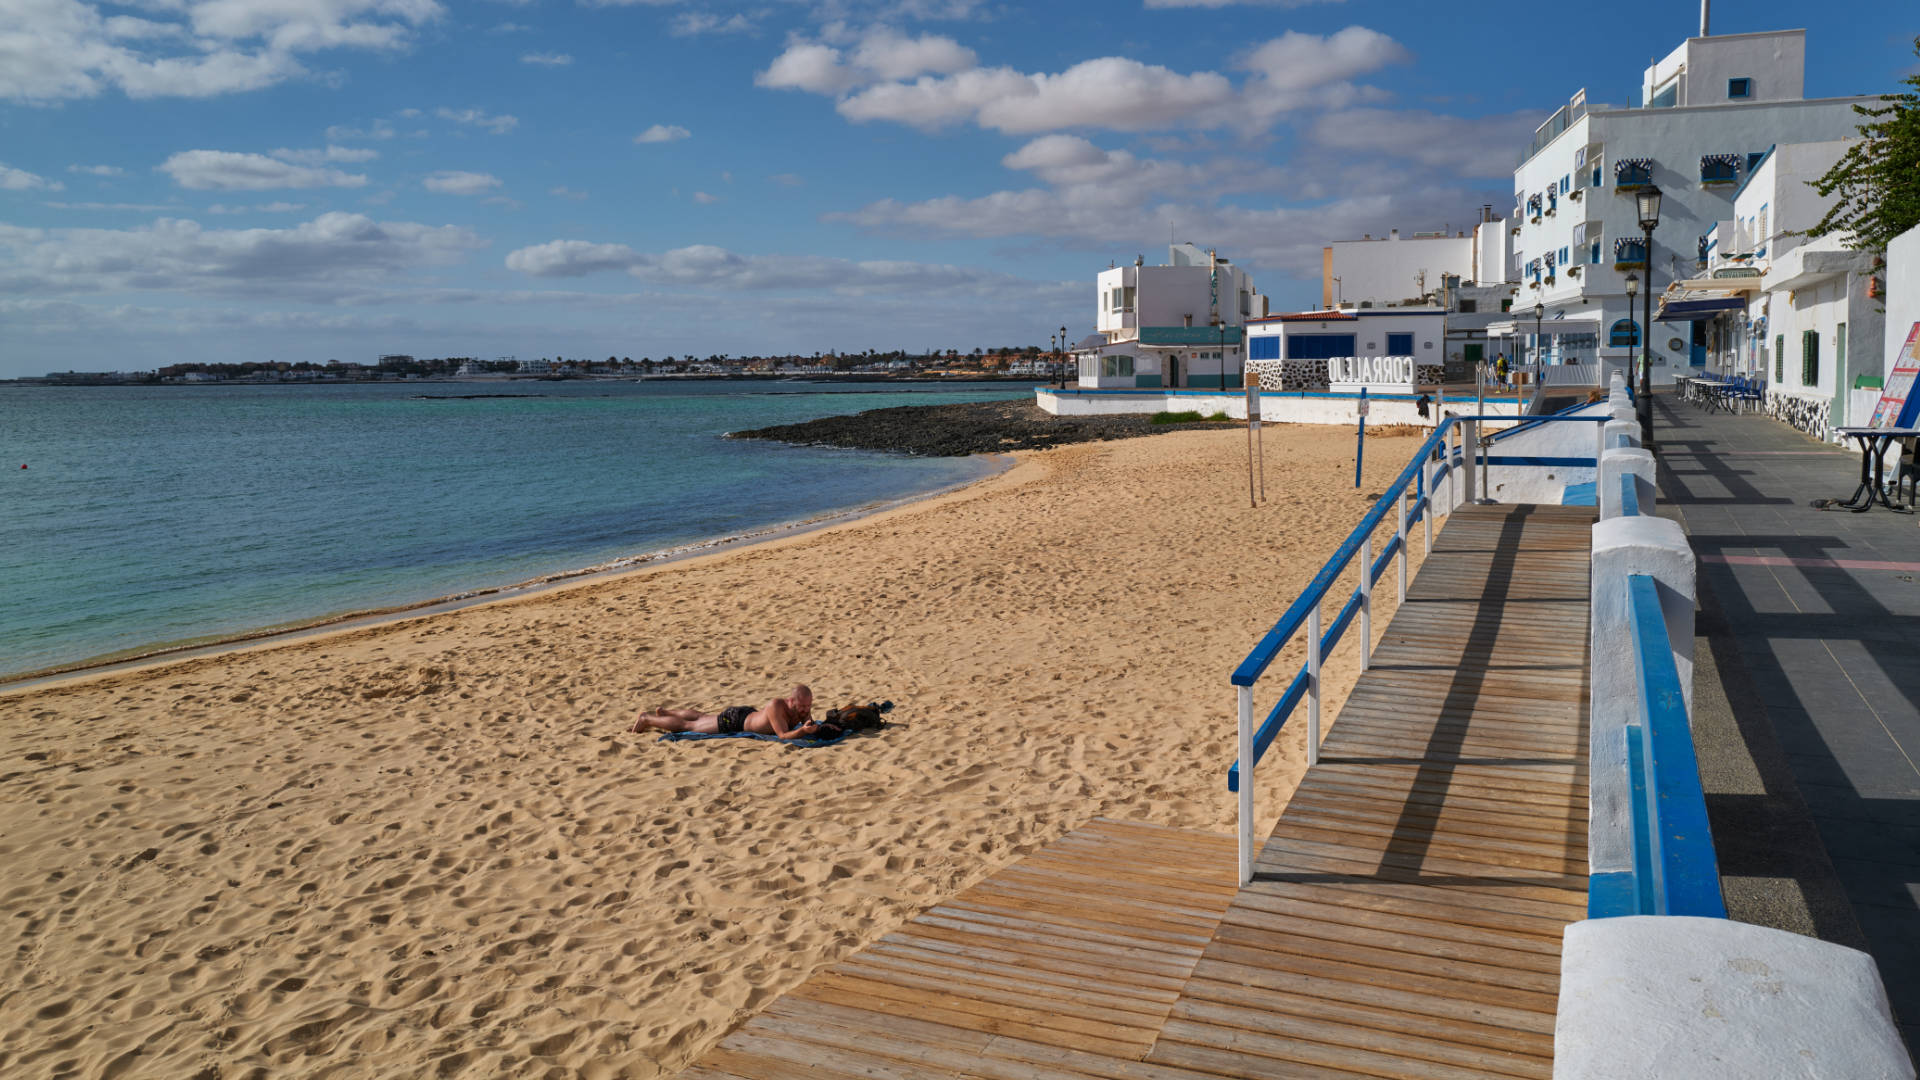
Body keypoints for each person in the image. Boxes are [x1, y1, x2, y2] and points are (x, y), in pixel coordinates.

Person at [630, 684, 822, 738]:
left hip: (746, 714)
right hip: (735, 721)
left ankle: (666, 712)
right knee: (689, 726)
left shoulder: (803, 709)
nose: (806, 710)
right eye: (802, 706)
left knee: (701, 717)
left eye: (808, 706)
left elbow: (809, 724)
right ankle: (647, 719)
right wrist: (803, 731)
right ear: (791, 701)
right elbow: (783, 735)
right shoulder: (776, 706)